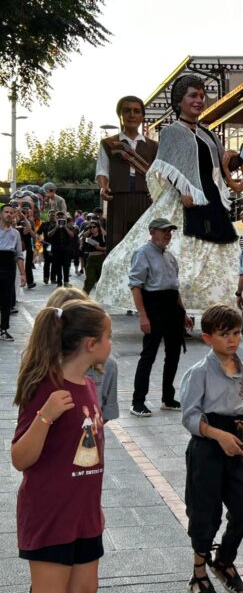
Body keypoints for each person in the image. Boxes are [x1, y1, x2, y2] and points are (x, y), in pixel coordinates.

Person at [94, 75, 242, 313]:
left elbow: (222, 165)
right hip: (183, 201)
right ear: (179, 101)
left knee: (215, 254)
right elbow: (164, 166)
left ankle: (213, 310)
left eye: (202, 96)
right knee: (178, 257)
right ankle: (174, 309)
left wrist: (237, 159)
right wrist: (182, 191)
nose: (199, 100)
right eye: (193, 95)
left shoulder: (209, 134)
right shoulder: (171, 132)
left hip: (211, 200)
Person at [11, 299, 112, 593]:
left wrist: (94, 508)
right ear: (91, 344)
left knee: (85, 589)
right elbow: (20, 458)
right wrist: (45, 416)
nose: (111, 342)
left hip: (83, 514)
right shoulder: (46, 387)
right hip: (50, 514)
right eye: (109, 336)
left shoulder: (89, 386)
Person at [179, 304, 243, 593]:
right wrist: (216, 435)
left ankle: (224, 559)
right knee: (205, 513)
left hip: (235, 444)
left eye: (236, 333)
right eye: (225, 334)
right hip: (207, 447)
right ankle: (198, 572)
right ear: (208, 338)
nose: (233, 340)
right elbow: (188, 416)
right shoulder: (199, 372)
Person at [128, 218, 193, 417]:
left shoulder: (170, 257)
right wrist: (143, 316)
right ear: (152, 232)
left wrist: (183, 313)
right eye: (164, 231)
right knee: (148, 355)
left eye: (170, 231)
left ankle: (168, 397)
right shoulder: (142, 253)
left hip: (172, 307)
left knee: (173, 354)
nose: (168, 234)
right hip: (154, 306)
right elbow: (136, 286)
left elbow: (174, 288)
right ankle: (138, 400)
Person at [46, 286, 120, 422]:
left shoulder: (107, 366)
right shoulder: (40, 369)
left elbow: (103, 416)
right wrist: (44, 419)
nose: (111, 343)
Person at [96, 95, 158, 252]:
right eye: (127, 111)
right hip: (117, 200)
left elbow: (159, 175)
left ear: (142, 116)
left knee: (144, 246)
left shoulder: (154, 146)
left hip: (145, 200)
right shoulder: (109, 144)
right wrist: (103, 188)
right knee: (117, 247)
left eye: (137, 111)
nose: (132, 115)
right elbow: (102, 169)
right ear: (120, 115)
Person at [0, 204, 27, 341]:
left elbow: (19, 255)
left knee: (6, 299)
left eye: (11, 212)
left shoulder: (15, 233)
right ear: (1, 214)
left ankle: (3, 329)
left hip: (9, 265)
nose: (9, 214)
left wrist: (23, 274)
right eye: (6, 212)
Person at [45, 210, 77, 287]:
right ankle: (59, 282)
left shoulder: (69, 226)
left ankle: (66, 281)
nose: (60, 217)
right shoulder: (52, 226)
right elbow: (49, 235)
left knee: (66, 265)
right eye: (58, 216)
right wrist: (56, 227)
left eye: (62, 216)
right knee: (57, 266)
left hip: (66, 250)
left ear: (64, 217)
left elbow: (72, 235)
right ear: (56, 218)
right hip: (56, 250)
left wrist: (65, 226)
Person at [80, 221, 106, 294]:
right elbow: (83, 236)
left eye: (94, 227)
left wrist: (100, 248)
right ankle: (83, 297)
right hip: (91, 259)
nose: (92, 228)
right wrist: (89, 229)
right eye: (90, 227)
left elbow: (106, 247)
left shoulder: (103, 236)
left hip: (100, 259)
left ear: (98, 228)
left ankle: (102, 297)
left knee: (101, 279)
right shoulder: (89, 237)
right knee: (89, 280)